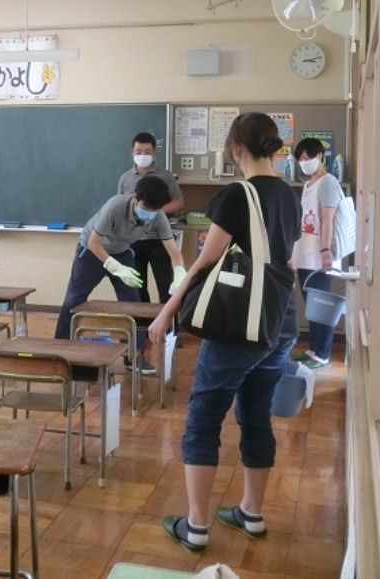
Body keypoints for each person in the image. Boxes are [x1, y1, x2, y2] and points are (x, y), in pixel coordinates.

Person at [147, 112, 301, 553]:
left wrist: (167, 311)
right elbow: (285, 261)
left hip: (241, 325)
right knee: (256, 413)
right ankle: (251, 513)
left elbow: (204, 262)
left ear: (234, 147)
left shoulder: (237, 194)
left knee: (204, 415)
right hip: (281, 320)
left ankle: (196, 525)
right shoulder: (290, 194)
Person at [55, 175, 186, 374]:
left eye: (154, 210)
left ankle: (134, 356)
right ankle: (60, 351)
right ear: (135, 198)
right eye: (146, 208)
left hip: (122, 252)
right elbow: (93, 243)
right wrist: (114, 267)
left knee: (133, 304)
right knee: (74, 300)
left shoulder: (157, 216)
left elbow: (174, 251)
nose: (149, 214)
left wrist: (179, 272)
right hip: (91, 252)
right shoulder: (115, 206)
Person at [291, 137, 344, 369]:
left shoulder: (328, 183)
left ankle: (322, 353)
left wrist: (325, 250)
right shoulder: (309, 184)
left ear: (320, 156)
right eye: (300, 159)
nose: (304, 162)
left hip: (321, 256)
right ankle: (314, 349)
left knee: (321, 305)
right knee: (311, 305)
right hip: (305, 254)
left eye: (307, 157)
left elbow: (327, 218)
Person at [117, 132, 185, 303]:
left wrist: (156, 210)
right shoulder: (125, 178)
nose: (142, 155)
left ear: (154, 153)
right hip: (133, 241)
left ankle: (168, 319)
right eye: (138, 151)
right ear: (132, 152)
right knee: (138, 288)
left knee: (167, 287)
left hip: (160, 240)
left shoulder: (166, 176)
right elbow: (120, 207)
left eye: (147, 152)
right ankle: (142, 320)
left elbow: (179, 202)